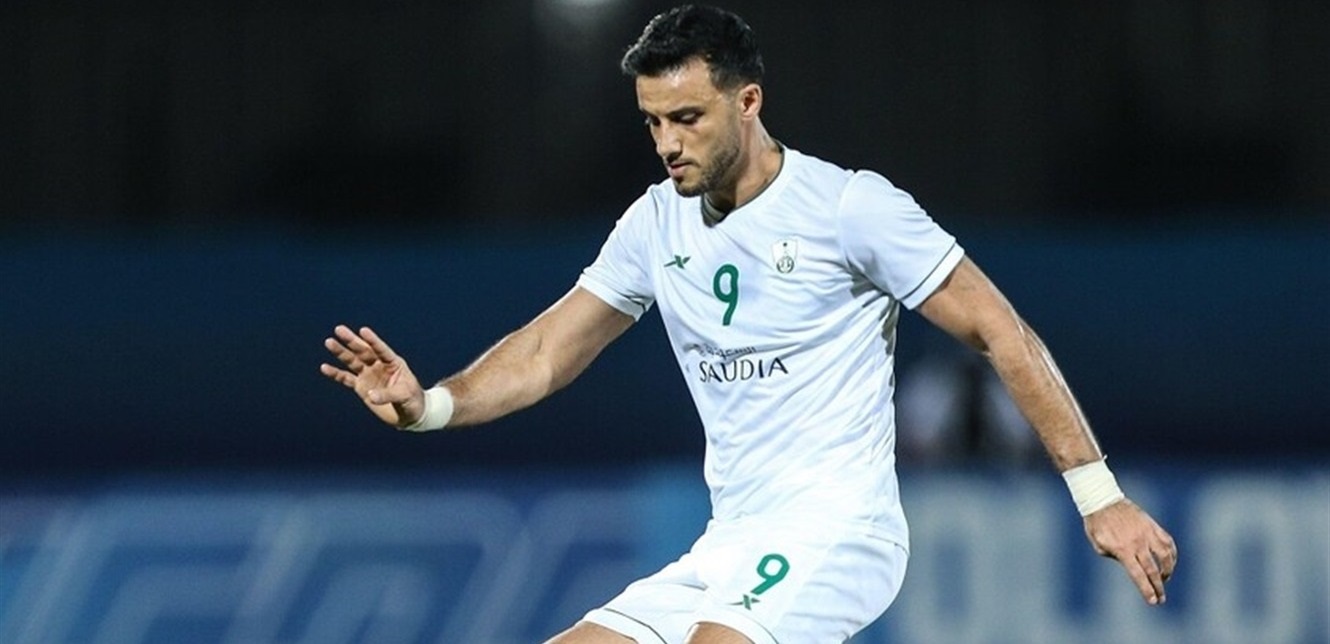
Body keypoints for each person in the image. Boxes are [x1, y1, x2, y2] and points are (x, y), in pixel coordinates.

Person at [320, 5, 1178, 643]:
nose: (668, 143)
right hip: (729, 545)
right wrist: (430, 406)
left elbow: (1001, 330)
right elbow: (547, 349)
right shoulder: (654, 223)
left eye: (687, 118)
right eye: (654, 122)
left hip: (840, 535)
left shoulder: (849, 208)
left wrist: (1098, 497)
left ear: (749, 102)